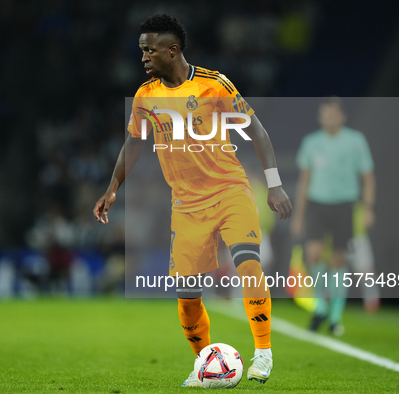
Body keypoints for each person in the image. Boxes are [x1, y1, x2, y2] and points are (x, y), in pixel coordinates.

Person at [93, 14, 292, 386]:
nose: (143, 58)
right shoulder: (145, 97)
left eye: (149, 51)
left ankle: (262, 353)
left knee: (247, 263)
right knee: (187, 295)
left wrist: (275, 184)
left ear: (172, 50)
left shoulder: (213, 85)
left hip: (230, 190)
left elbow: (257, 131)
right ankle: (204, 362)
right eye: (141, 51)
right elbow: (134, 143)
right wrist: (112, 187)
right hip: (186, 204)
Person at [290, 97, 375, 336]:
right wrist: (299, 215)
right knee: (313, 254)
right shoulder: (311, 143)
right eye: (325, 113)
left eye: (334, 113)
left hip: (345, 205)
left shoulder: (355, 141)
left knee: (338, 260)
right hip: (317, 204)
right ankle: (321, 306)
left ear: (342, 116)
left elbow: (368, 177)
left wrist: (368, 207)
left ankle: (335, 317)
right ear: (320, 117)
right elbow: (304, 181)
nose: (330, 117)